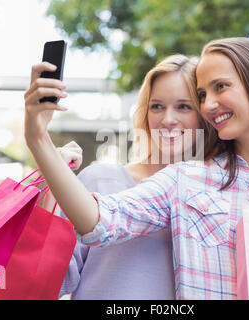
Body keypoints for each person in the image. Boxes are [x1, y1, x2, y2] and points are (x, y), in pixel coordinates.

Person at [24, 37, 249, 299]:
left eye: (220, 87)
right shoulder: (189, 179)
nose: (209, 104)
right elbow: (100, 221)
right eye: (202, 94)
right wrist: (39, 139)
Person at [38, 54, 218, 299]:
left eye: (183, 106)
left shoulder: (216, 198)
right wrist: (54, 183)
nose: (167, 120)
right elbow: (49, 281)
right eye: (157, 106)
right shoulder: (99, 181)